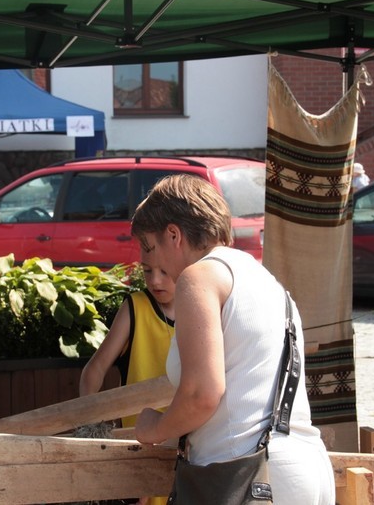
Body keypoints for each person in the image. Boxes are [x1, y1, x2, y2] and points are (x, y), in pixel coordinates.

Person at [130, 174, 334, 504]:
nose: (153, 262)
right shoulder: (266, 282)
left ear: (173, 234)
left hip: (247, 477)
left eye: (150, 246)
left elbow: (202, 394)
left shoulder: (198, 277)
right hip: (303, 469)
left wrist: (154, 428)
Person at [79, 250, 176, 430]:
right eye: (147, 270)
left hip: (189, 439)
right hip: (138, 441)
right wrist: (88, 423)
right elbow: (95, 368)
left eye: (165, 271)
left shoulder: (202, 307)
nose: (155, 280)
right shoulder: (135, 306)